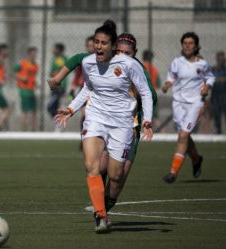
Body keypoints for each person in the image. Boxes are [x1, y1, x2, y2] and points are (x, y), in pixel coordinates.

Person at [53, 20, 153, 233]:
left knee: (116, 176)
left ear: (113, 45)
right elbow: (88, 88)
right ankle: (101, 217)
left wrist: (147, 120)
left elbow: (145, 92)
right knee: (92, 166)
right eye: (96, 42)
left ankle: (104, 210)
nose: (98, 46)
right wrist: (70, 109)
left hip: (122, 124)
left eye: (104, 43)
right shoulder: (89, 62)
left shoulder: (129, 64)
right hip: (96, 118)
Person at [162, 32, 215, 183]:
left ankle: (173, 172)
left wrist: (207, 87)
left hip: (196, 104)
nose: (187, 46)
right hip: (178, 104)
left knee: (183, 136)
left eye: (190, 43)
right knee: (184, 136)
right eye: (185, 43)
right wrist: (167, 84)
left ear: (196, 46)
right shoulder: (176, 62)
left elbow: (210, 77)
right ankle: (197, 159)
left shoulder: (202, 64)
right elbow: (171, 77)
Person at [14, 47, 38, 131]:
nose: (34, 56)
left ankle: (33, 129)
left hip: (31, 91)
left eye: (35, 54)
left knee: (34, 111)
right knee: (25, 111)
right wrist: (21, 78)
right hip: (24, 90)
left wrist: (36, 84)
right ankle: (24, 130)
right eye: (32, 54)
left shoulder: (35, 65)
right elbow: (14, 73)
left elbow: (32, 78)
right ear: (29, 54)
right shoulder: (22, 63)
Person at [47, 43, 68, 119]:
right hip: (55, 86)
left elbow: (58, 72)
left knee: (51, 106)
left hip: (59, 86)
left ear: (59, 50)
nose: (53, 50)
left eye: (55, 49)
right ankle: (58, 123)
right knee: (54, 106)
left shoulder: (61, 60)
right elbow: (53, 72)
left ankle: (59, 122)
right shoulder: (54, 59)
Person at [142, 49, 161, 131]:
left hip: (143, 94)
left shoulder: (140, 67)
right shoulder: (154, 69)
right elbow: (159, 84)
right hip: (153, 94)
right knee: (155, 117)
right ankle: (163, 132)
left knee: (142, 115)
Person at [211, 51, 226, 134]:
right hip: (215, 97)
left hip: (225, 96)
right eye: (219, 58)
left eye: (222, 58)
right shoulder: (213, 70)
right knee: (216, 115)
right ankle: (218, 131)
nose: (221, 60)